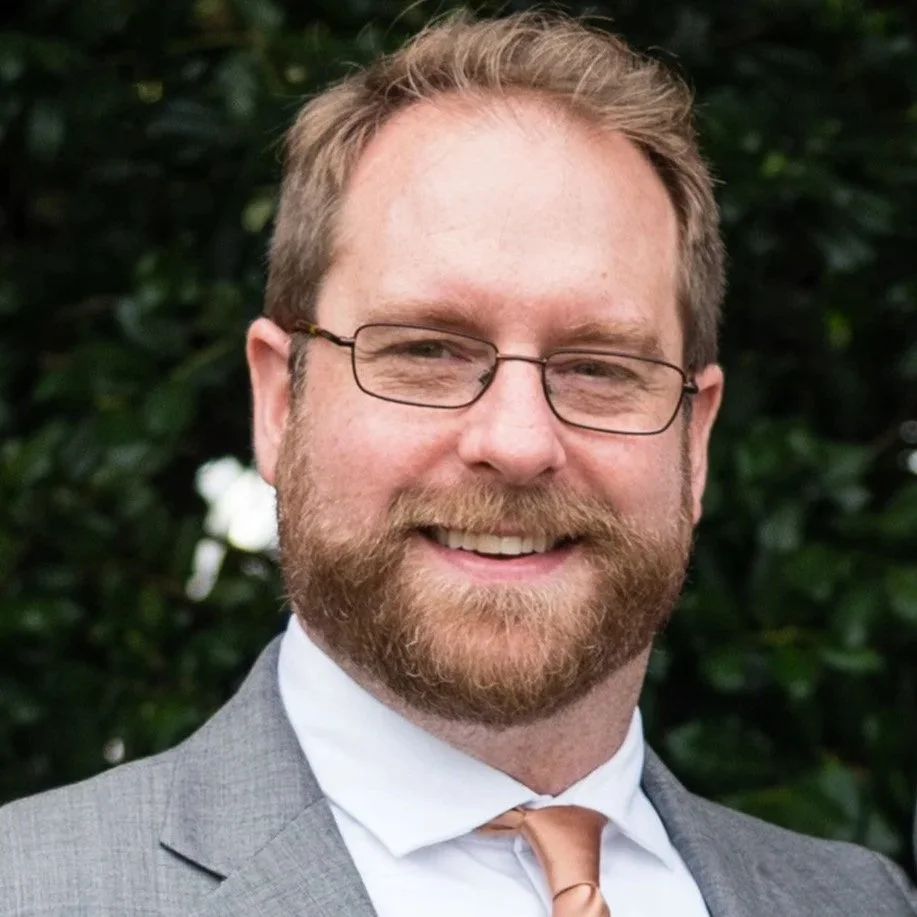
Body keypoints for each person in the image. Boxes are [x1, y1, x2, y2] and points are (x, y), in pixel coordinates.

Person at [1, 11, 915, 917]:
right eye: (427, 352)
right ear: (279, 403)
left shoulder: (855, 900)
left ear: (694, 438)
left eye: (599, 368)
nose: (516, 443)